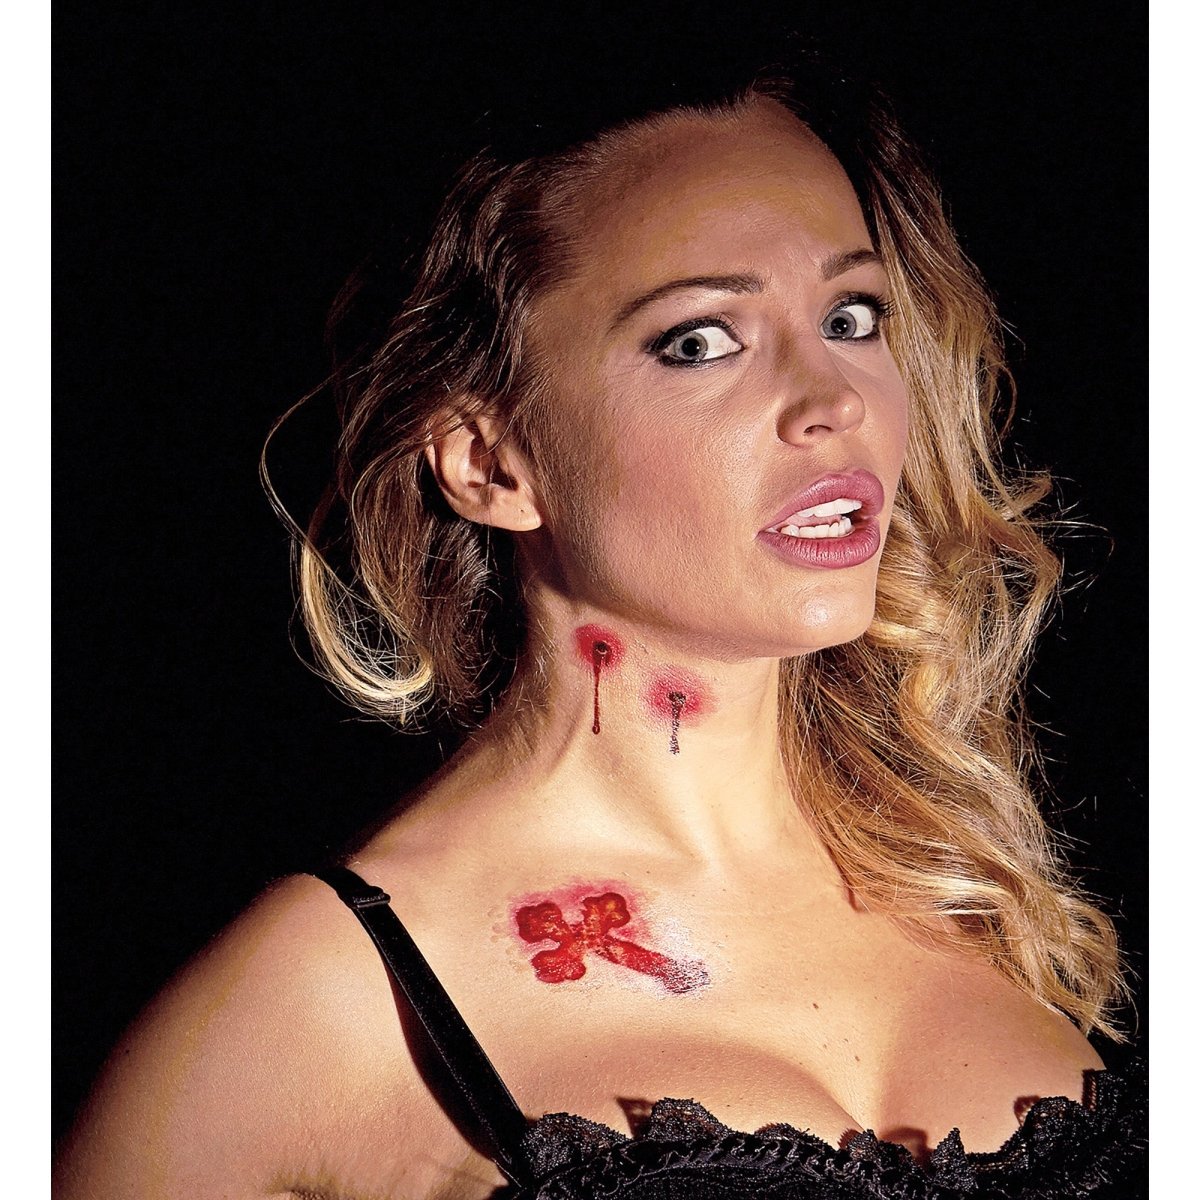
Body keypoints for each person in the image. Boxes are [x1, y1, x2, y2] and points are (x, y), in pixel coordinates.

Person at [54, 48, 1146, 1200]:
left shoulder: (976, 889)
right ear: (491, 460)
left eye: (851, 314)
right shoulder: (328, 999)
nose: (833, 400)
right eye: (700, 341)